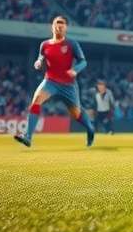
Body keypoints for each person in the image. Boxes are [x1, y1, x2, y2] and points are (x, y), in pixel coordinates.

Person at [13, 15, 95, 148]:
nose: (59, 25)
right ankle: (27, 137)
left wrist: (76, 69)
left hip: (69, 85)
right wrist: (39, 61)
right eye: (57, 22)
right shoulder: (44, 45)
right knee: (36, 100)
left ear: (66, 27)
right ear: (52, 27)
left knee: (76, 114)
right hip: (50, 81)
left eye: (62, 23)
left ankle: (90, 128)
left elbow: (83, 61)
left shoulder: (72, 44)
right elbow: (41, 56)